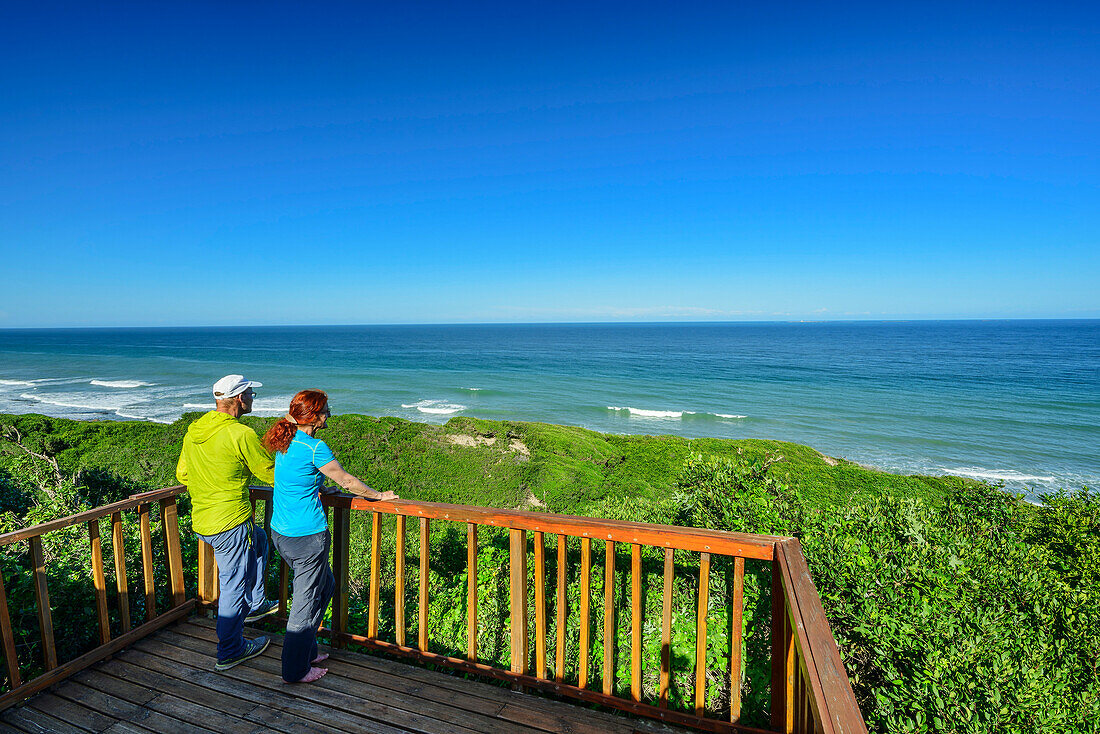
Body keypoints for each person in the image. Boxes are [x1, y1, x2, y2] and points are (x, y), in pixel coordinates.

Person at [262, 389, 398, 683]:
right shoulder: (314, 446)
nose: (329, 416)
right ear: (314, 417)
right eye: (326, 412)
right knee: (305, 602)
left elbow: (296, 478)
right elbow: (347, 480)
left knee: (325, 586)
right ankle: (294, 670)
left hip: (281, 532)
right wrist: (377, 496)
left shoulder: (286, 440)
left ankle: (307, 650)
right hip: (307, 536)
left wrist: (321, 489)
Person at [176, 374, 278, 671]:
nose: (252, 399)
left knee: (258, 540)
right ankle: (231, 650)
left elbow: (183, 474)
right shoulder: (240, 434)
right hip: (230, 521)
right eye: (250, 394)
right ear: (238, 399)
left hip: (203, 522)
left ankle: (256, 604)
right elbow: (270, 473)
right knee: (232, 586)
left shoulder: (195, 430)